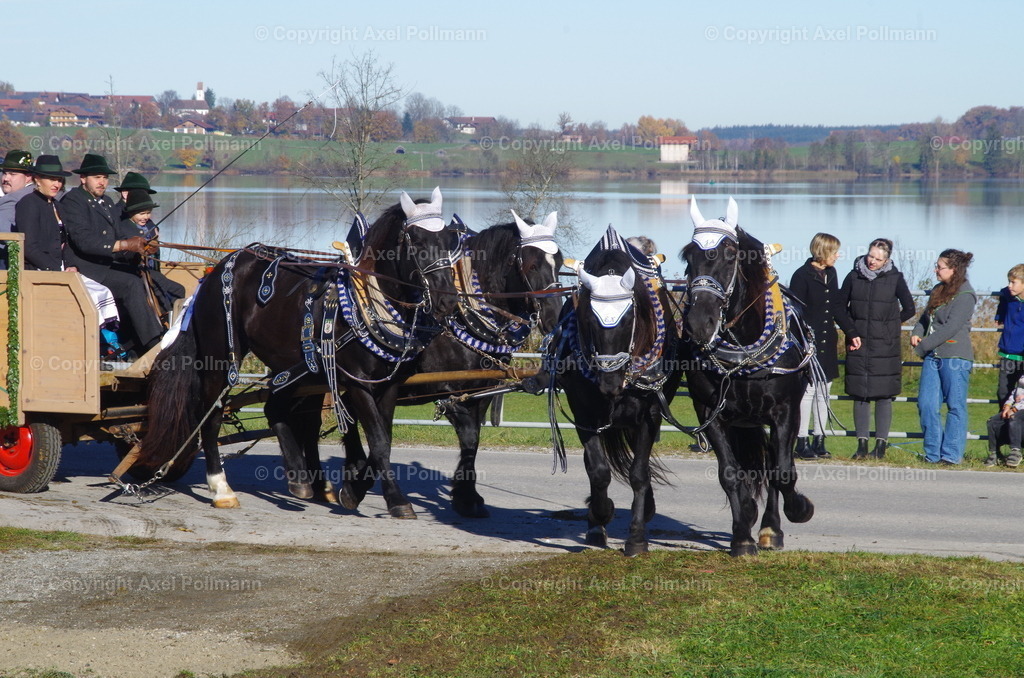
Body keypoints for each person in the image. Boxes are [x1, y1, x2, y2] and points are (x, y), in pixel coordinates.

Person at [59, 153, 162, 354]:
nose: (102, 182)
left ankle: (133, 345)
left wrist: (142, 246)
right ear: (83, 178)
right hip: (85, 267)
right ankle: (153, 344)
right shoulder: (73, 200)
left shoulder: (106, 202)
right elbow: (85, 242)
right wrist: (124, 244)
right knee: (131, 283)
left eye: (105, 178)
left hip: (106, 264)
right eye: (97, 177)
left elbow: (119, 234)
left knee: (142, 275)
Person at [840, 238, 916, 460]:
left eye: (878, 259)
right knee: (859, 393)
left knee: (884, 395)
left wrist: (889, 326)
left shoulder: (895, 278)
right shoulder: (854, 275)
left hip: (886, 345)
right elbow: (838, 306)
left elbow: (909, 308)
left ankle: (880, 446)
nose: (872, 261)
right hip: (859, 343)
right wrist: (851, 331)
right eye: (871, 256)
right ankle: (861, 445)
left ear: (887, 260)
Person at [789, 233, 857, 459]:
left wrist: (851, 332)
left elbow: (837, 307)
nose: (838, 256)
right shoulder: (802, 276)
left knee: (824, 392)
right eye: (835, 251)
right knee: (807, 392)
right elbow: (795, 313)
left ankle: (820, 439)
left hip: (828, 340)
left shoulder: (832, 273)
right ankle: (801, 441)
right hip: (808, 342)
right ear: (823, 252)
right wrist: (803, 342)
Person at [911, 249, 976, 465]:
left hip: (955, 357)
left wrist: (922, 347)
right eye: (936, 265)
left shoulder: (966, 295)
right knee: (927, 404)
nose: (936, 270)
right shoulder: (938, 290)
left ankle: (951, 454)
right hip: (933, 356)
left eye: (940, 267)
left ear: (954, 270)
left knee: (955, 406)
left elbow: (951, 328)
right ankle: (932, 453)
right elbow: (924, 318)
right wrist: (916, 333)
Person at [119, 188, 185, 316]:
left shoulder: (149, 226)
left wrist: (153, 247)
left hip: (149, 271)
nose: (146, 217)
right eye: (142, 214)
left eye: (148, 213)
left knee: (178, 289)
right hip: (135, 272)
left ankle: (175, 316)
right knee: (160, 290)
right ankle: (166, 316)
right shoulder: (124, 227)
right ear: (131, 213)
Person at [994, 264, 1024, 404]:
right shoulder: (1008, 296)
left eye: (1013, 282)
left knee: (1021, 395)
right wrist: (999, 314)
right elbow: (1003, 293)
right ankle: (1004, 425)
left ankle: (1018, 425)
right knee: (1003, 393)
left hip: (1022, 355)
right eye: (1009, 281)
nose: (1009, 286)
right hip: (1007, 354)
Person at [985, 372, 1024, 468]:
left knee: (1014, 418)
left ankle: (1016, 452)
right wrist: (1007, 406)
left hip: (1020, 409)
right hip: (1017, 407)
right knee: (992, 421)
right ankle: (995, 453)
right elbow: (1016, 392)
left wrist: (1014, 409)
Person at [0, 150, 36, 231]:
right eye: (5, 173)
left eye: (13, 174)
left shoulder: (12, 201)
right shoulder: (38, 195)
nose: (6, 178)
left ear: (28, 177)